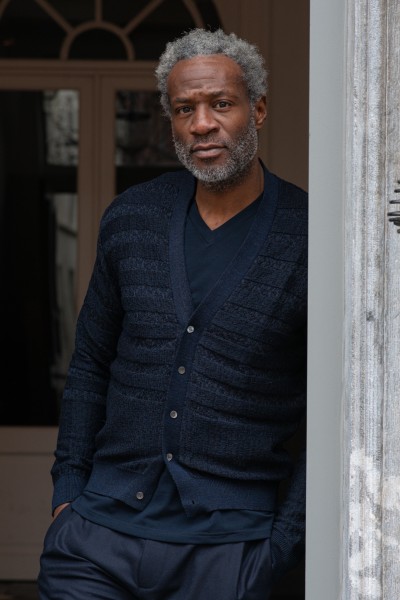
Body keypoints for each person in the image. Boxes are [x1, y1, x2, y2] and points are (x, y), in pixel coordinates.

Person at [38, 27, 308, 600]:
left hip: (229, 552)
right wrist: (68, 495)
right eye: (185, 109)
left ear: (258, 110)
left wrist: (282, 544)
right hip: (96, 541)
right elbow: (90, 364)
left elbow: (337, 403)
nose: (202, 124)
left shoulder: (309, 235)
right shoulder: (133, 217)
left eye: (221, 104)